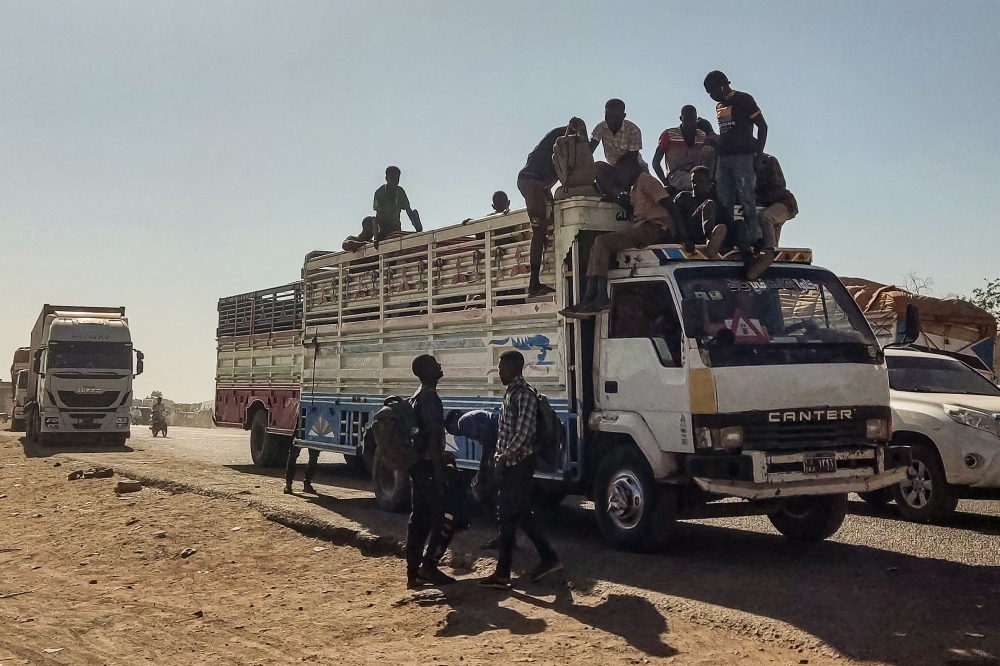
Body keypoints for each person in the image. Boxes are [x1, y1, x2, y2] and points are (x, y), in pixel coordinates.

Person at [561, 152, 688, 318]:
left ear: (631, 167)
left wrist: (683, 236)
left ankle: (599, 297)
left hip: (655, 229)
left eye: (621, 171)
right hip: (644, 229)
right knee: (597, 244)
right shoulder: (635, 187)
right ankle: (589, 297)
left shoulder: (646, 180)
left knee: (602, 242)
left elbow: (671, 207)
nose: (620, 176)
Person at [480, 351, 561, 590]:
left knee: (512, 514)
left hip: (520, 464)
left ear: (515, 368)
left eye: (502, 367)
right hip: (512, 463)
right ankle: (510, 570)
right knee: (512, 514)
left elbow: (523, 434)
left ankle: (542, 560)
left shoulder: (524, 395)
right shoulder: (512, 393)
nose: (499, 371)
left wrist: (504, 456)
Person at [704, 70, 772, 279]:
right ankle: (730, 239)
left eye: (712, 91)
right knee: (725, 200)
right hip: (724, 158)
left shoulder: (744, 99)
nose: (711, 96)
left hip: (743, 157)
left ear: (722, 85)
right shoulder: (719, 107)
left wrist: (758, 155)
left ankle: (751, 241)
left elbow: (762, 126)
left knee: (747, 199)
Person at [518, 118, 588, 296]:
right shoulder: (562, 140)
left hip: (538, 184)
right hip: (533, 183)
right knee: (539, 231)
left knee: (545, 225)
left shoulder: (557, 137)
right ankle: (534, 283)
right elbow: (570, 170)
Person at [405, 354, 456, 589]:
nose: (440, 367)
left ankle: (413, 573)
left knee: (418, 519)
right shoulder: (431, 399)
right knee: (444, 516)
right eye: (435, 365)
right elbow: (434, 440)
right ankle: (430, 567)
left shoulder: (416, 396)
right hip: (428, 467)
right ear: (427, 371)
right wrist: (439, 470)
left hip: (417, 466)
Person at [446, 409, 501, 549]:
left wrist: (482, 469)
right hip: (502, 444)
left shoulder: (463, 423)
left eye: (452, 430)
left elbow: (488, 439)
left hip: (501, 446)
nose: (456, 434)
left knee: (485, 492)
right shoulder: (473, 418)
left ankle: (503, 537)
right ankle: (504, 536)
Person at [351, 166, 422, 250]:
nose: (395, 181)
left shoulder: (400, 192)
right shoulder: (379, 193)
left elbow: (408, 210)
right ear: (386, 178)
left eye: (397, 178)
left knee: (403, 243)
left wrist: (416, 225)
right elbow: (377, 215)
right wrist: (376, 238)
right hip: (383, 230)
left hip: (396, 228)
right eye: (393, 178)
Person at [652, 105, 716, 196]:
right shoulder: (669, 134)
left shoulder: (702, 136)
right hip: (676, 175)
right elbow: (655, 162)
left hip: (697, 173)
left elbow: (708, 155)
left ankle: (708, 179)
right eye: (687, 119)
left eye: (692, 119)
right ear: (681, 118)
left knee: (709, 150)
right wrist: (666, 183)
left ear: (696, 119)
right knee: (700, 186)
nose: (690, 123)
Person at [590, 99, 643, 199]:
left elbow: (632, 159)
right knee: (598, 167)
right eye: (607, 116)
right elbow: (590, 149)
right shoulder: (601, 127)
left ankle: (624, 195)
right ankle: (611, 197)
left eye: (615, 117)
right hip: (613, 169)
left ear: (623, 116)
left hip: (634, 169)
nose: (610, 120)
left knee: (629, 168)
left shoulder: (633, 130)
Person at [674, 166, 727, 257]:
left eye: (700, 181)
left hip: (707, 235)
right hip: (690, 234)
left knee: (739, 223)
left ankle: (749, 256)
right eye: (693, 182)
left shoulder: (715, 200)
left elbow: (726, 221)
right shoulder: (683, 197)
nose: (696, 185)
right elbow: (675, 219)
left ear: (709, 183)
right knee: (708, 204)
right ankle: (710, 238)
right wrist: (684, 239)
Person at [755, 153, 798, 247]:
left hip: (785, 203)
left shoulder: (769, 161)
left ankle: (769, 250)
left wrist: (758, 198)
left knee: (766, 217)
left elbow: (779, 188)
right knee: (773, 229)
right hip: (772, 203)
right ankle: (772, 253)